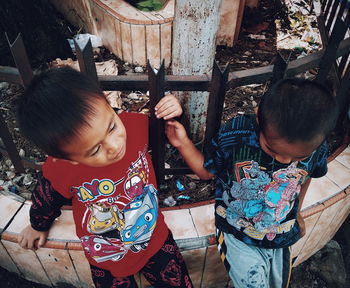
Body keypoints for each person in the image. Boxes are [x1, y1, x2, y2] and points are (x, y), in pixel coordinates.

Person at [16, 66, 194, 288]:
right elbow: (46, 198)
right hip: (106, 255)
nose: (115, 145)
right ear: (66, 158)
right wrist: (37, 226)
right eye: (94, 150)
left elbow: (170, 132)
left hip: (155, 239)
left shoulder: (136, 125)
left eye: (111, 127)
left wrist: (176, 113)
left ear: (108, 104)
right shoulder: (62, 169)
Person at [165, 78, 339, 288]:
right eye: (273, 150)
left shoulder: (315, 147)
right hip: (238, 234)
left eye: (297, 158)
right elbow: (206, 171)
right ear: (258, 117)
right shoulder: (236, 134)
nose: (284, 161)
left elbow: (306, 176)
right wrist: (183, 143)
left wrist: (297, 212)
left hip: (282, 234)